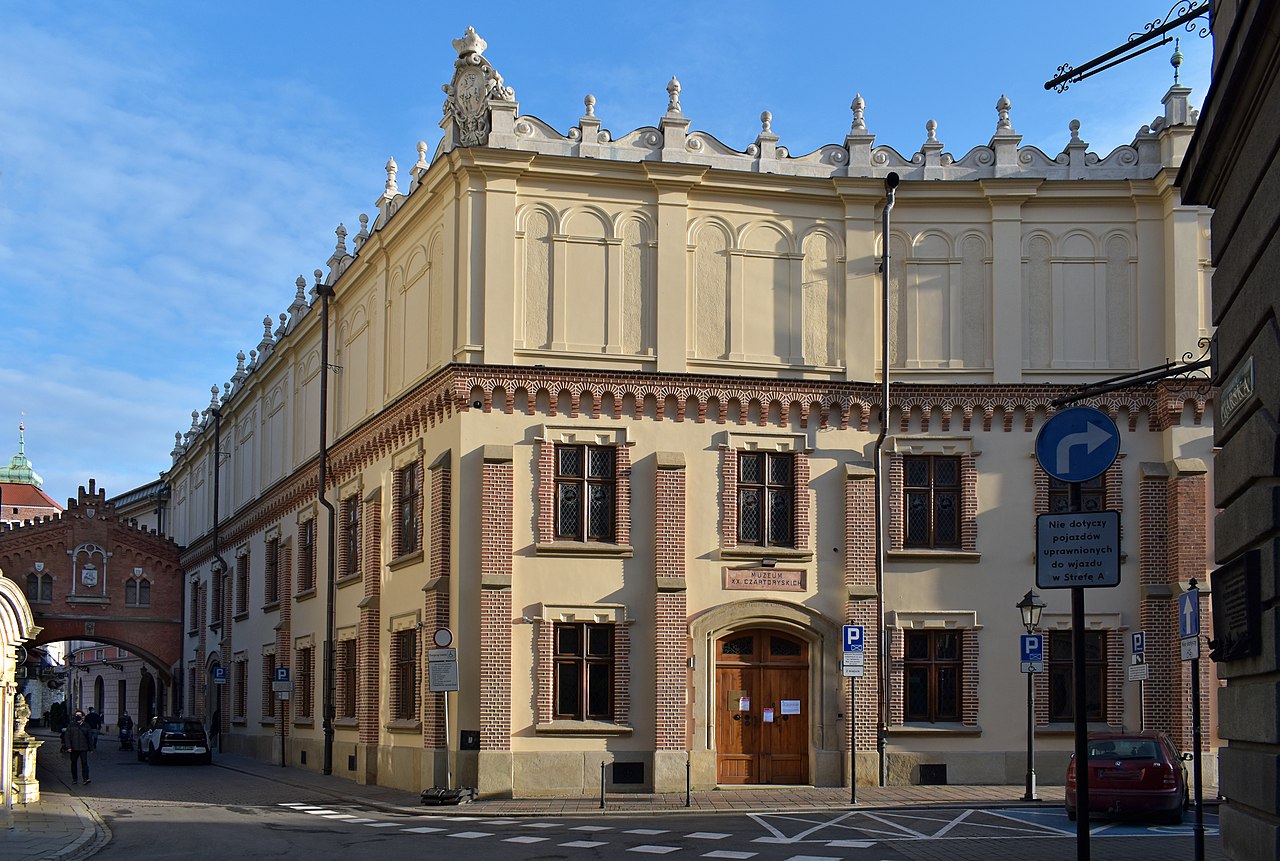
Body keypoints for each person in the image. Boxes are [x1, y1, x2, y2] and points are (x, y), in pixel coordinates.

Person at [60, 710, 92, 785]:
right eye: (76, 715)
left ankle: (86, 778)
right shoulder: (71, 725)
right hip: (73, 748)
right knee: (73, 763)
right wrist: (68, 747)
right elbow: (67, 736)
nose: (77, 716)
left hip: (83, 748)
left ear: (83, 716)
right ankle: (75, 778)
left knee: (84, 763)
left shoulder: (86, 726)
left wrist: (90, 748)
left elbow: (89, 737)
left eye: (79, 715)